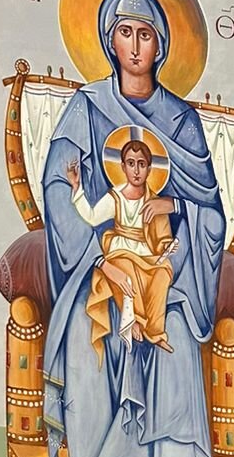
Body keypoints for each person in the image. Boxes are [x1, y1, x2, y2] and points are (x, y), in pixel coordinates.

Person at [42, 0, 226, 457]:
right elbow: (58, 187)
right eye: (126, 32)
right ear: (110, 41)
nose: (136, 44)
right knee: (91, 329)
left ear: (161, 44)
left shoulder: (182, 120)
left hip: (166, 263)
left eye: (146, 34)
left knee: (171, 331)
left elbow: (210, 210)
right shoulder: (87, 107)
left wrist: (173, 213)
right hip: (99, 260)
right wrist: (97, 255)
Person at [69, 138, 177, 356]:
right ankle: (134, 320)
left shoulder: (154, 201)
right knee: (126, 269)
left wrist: (167, 247)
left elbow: (163, 237)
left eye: (141, 164)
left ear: (149, 169)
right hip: (120, 249)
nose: (136, 170)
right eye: (131, 163)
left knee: (163, 273)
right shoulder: (115, 197)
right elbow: (92, 217)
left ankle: (155, 333)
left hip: (146, 254)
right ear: (123, 167)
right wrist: (77, 188)